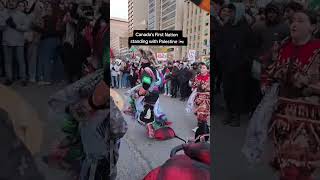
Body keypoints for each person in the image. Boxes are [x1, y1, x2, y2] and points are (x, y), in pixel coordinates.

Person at [260, 10, 320, 180]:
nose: (294, 24)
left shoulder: (318, 50)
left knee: (299, 168)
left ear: (313, 27)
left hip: (309, 119)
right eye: (293, 20)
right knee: (285, 165)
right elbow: (268, 74)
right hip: (283, 116)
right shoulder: (282, 47)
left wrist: (310, 88)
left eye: (301, 21)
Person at [215, 3, 261, 127]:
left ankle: (237, 116)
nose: (229, 14)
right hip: (226, 66)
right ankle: (229, 113)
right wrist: (221, 59)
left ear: (238, 13)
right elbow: (219, 44)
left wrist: (244, 60)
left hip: (241, 68)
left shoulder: (245, 28)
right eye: (228, 12)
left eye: (232, 12)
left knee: (239, 92)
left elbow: (251, 47)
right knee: (228, 91)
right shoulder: (226, 27)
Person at [2, 1, 29, 86]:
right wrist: (4, 24)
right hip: (6, 41)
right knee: (8, 61)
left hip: (19, 42)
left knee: (21, 60)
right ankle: (9, 78)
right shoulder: (3, 14)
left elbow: (26, 27)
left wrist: (16, 26)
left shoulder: (22, 15)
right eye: (10, 2)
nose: (11, 3)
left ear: (16, 4)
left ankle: (23, 79)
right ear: (8, 3)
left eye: (13, 2)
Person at [191, 62, 210, 131]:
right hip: (197, 97)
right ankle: (201, 127)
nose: (202, 69)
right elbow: (193, 85)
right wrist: (193, 86)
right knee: (198, 113)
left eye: (204, 68)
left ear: (207, 70)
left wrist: (204, 88)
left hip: (206, 98)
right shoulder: (197, 76)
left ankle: (202, 128)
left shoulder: (209, 77)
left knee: (202, 113)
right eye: (201, 68)